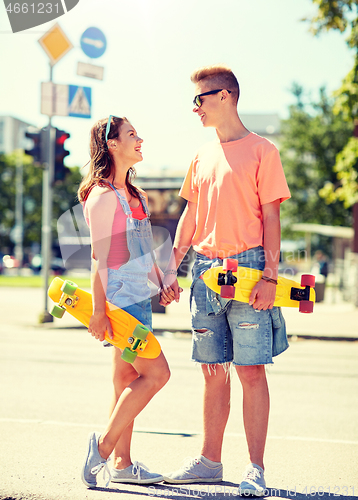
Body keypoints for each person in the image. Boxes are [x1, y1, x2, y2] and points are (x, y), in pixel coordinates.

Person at [160, 65, 291, 495]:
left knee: (251, 371)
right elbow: (190, 218)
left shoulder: (262, 151)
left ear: (226, 96)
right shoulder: (200, 156)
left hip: (251, 269)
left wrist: (271, 274)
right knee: (212, 371)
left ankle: (256, 468)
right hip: (204, 272)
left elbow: (272, 218)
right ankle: (209, 462)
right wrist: (172, 266)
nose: (195, 107)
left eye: (200, 98)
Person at [77, 115, 174, 488]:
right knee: (157, 374)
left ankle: (122, 463)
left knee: (125, 379)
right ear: (112, 144)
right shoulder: (102, 196)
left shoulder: (137, 196)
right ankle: (102, 448)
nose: (140, 139)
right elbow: (99, 258)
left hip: (140, 297)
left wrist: (162, 282)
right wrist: (99, 312)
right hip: (119, 301)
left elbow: (141, 252)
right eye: (132, 134)